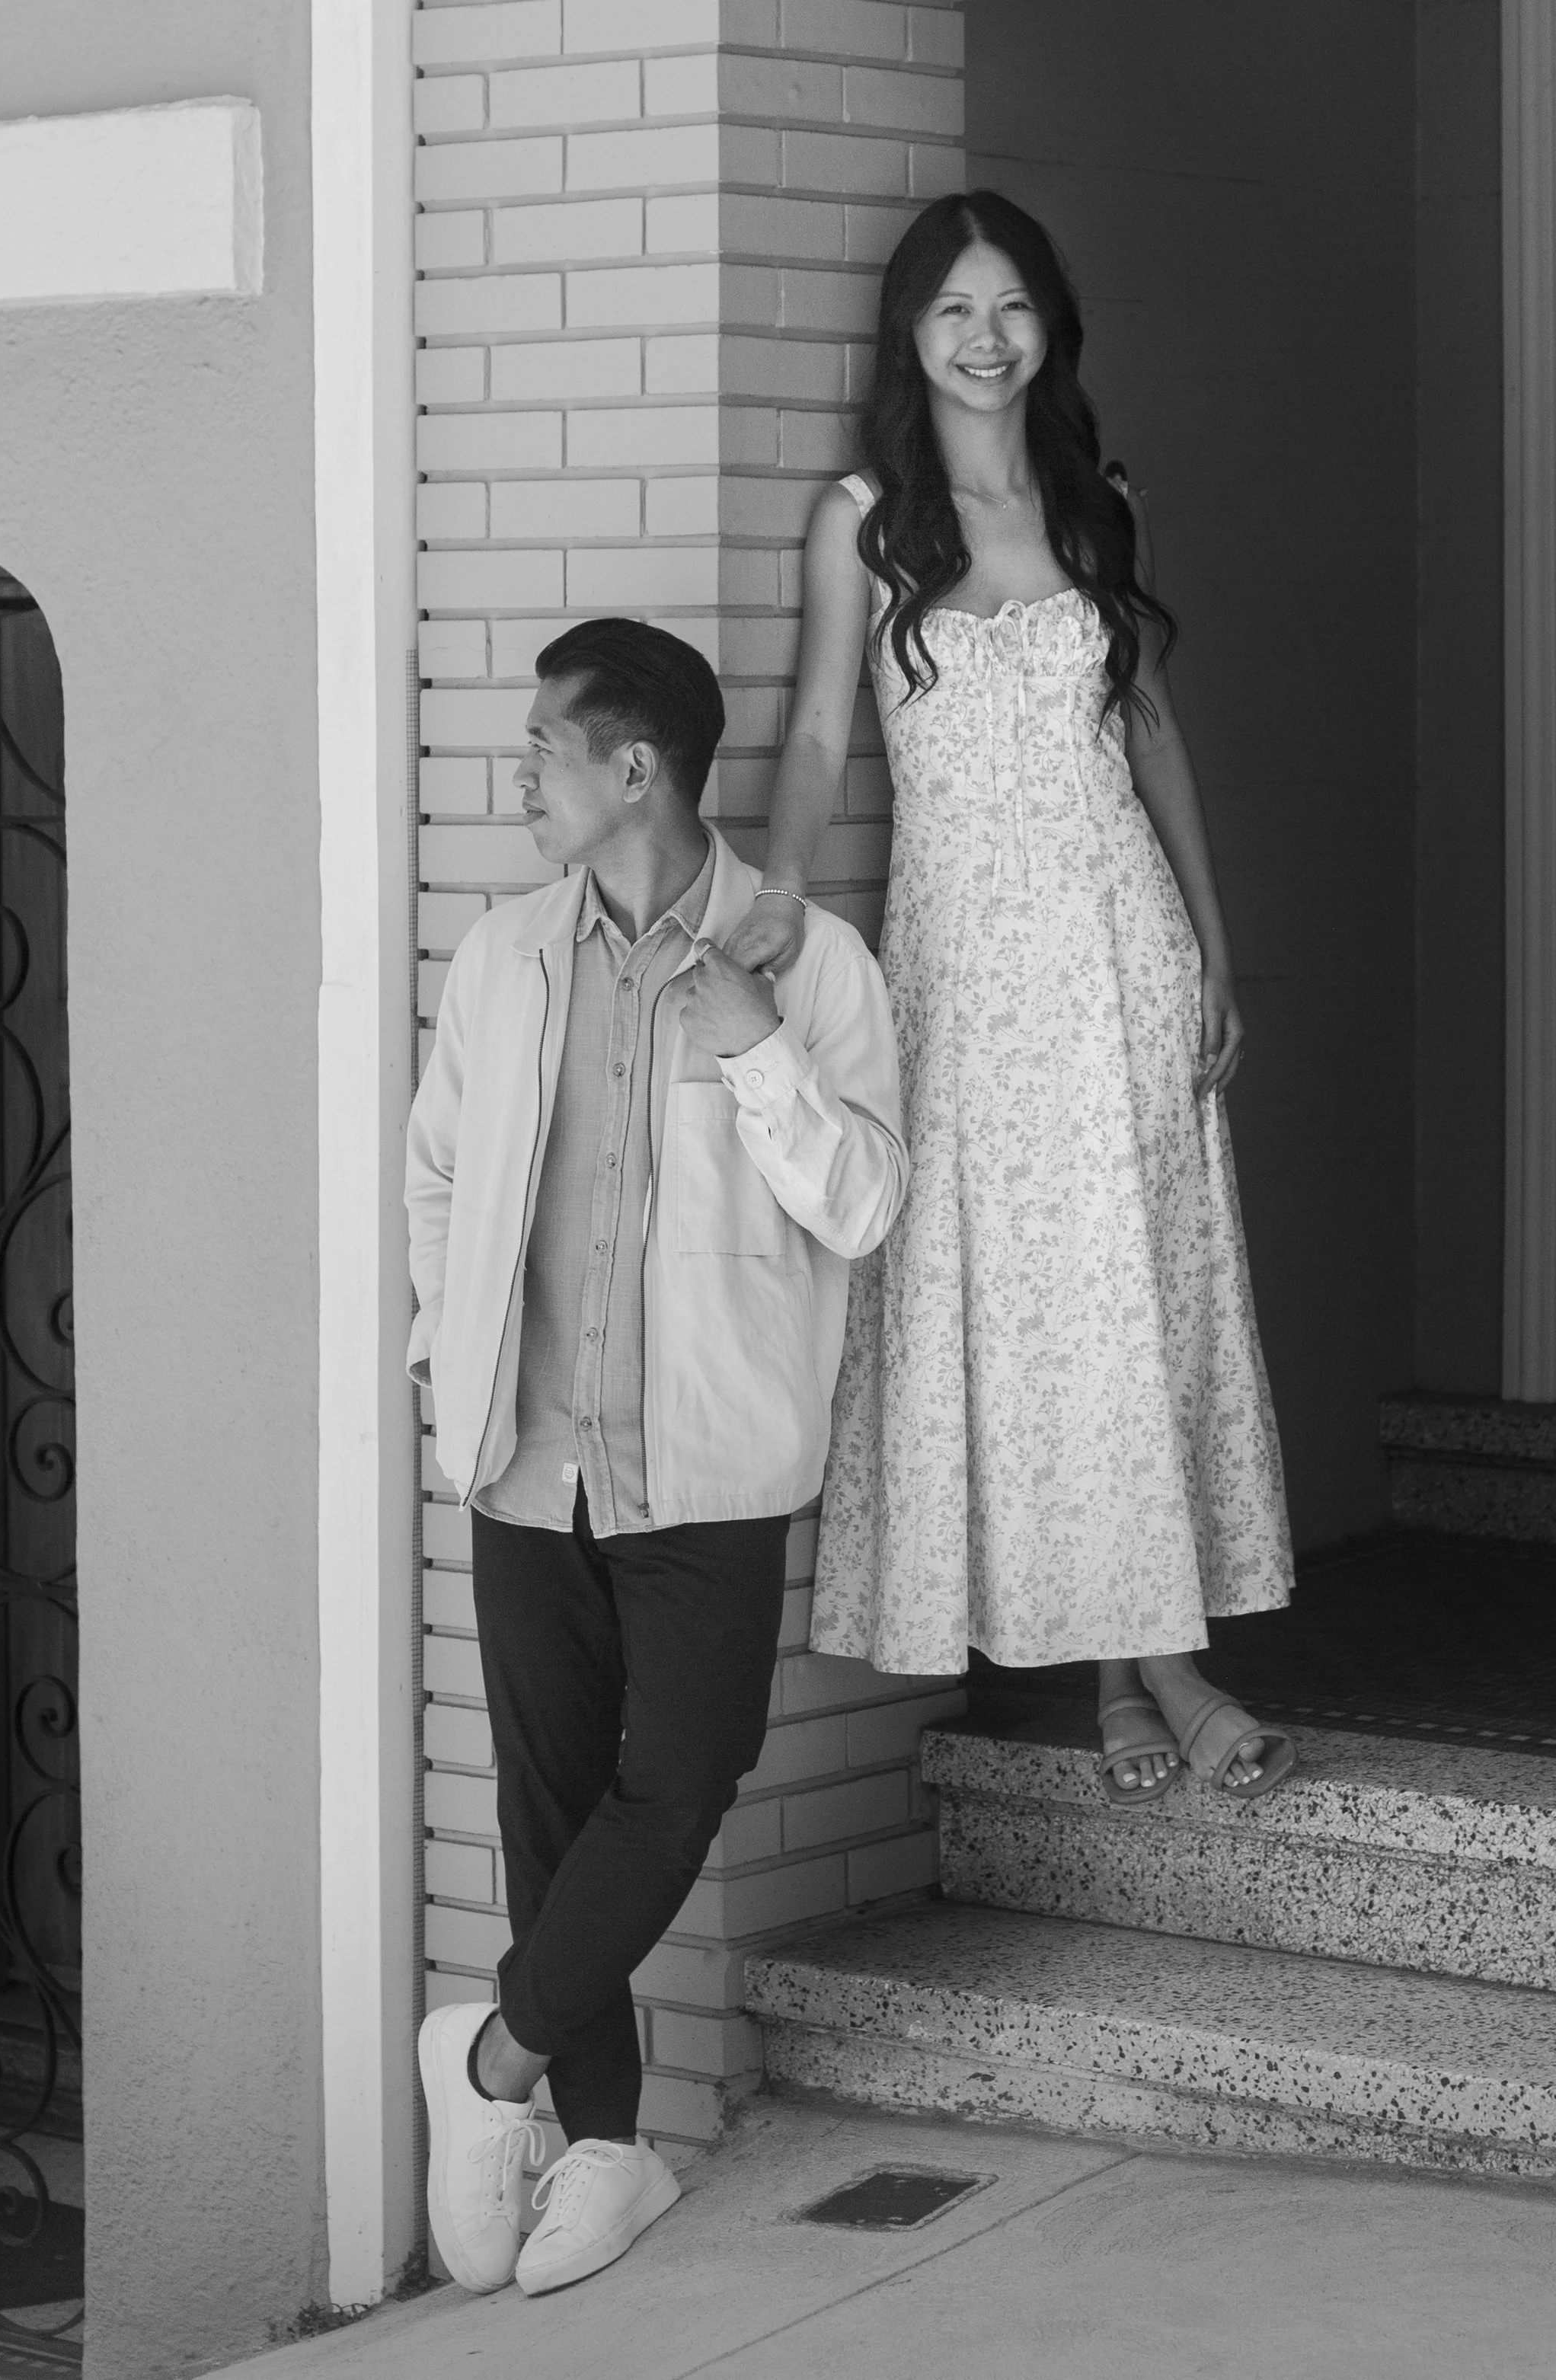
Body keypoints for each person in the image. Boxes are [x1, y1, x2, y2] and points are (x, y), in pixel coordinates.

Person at [723, 190, 1299, 1810]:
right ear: (909, 337)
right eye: (954, 312)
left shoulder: (1098, 500)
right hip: (964, 967)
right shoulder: (863, 518)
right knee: (1030, 1307)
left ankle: (1138, 1675)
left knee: (1134, 1297)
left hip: (1115, 943)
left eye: (1013, 309)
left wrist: (1208, 939)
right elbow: (824, 727)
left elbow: (1152, 734)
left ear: (1049, 327)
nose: (986, 340)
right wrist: (772, 896)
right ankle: (1141, 1666)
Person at [405, 618, 906, 2298]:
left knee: (679, 1778)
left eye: (541, 748)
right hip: (523, 1461)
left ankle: (485, 2062)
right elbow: (434, 1174)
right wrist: (440, 1358)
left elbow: (864, 1202)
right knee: (551, 1810)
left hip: (707, 1466)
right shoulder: (502, 957)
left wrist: (754, 1034)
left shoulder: (811, 961)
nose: (516, 777)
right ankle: (604, 2142)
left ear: (634, 770)